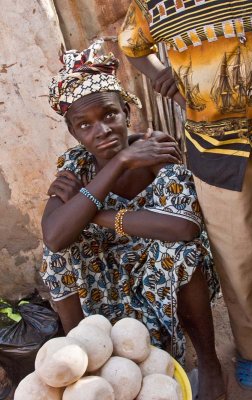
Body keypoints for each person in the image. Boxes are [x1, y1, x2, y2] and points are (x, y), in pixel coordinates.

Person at [40, 40, 225, 400]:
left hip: (157, 267)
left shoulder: (157, 151)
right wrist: (120, 164)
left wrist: (91, 210)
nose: (102, 130)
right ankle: (84, 360)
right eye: (85, 125)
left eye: (109, 115)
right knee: (56, 258)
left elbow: (183, 227)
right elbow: (54, 237)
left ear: (127, 111)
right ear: (75, 133)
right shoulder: (74, 164)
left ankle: (210, 361)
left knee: (181, 251)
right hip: (107, 273)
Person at [118, 0, 252, 392]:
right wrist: (162, 76)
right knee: (237, 263)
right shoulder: (152, 4)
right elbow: (132, 45)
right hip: (217, 150)